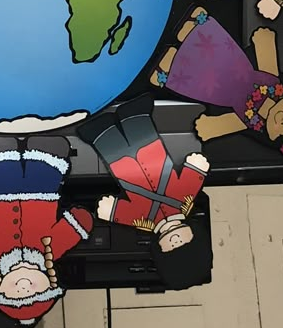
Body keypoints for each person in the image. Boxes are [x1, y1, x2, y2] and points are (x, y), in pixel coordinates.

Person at [79, 94, 212, 290]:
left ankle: (102, 133)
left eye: (173, 247)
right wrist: (196, 169)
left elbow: (128, 214)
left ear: (161, 251)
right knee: (145, 140)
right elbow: (189, 183)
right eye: (184, 242)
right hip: (157, 161)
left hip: (127, 174)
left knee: (116, 153)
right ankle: (135, 117)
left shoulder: (145, 222)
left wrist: (113, 211)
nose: (176, 240)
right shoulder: (184, 202)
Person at [0, 135, 92, 327]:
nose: (24, 286)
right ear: (50, 284)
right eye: (35, 292)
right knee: (48, 149)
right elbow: (81, 222)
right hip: (43, 189)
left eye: (14, 294)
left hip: (0, 189)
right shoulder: (52, 249)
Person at [150, 7, 283, 155]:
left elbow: (229, 123)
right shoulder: (273, 84)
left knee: (195, 78)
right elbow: (266, 52)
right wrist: (265, 42)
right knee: (214, 47)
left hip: (218, 91)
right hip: (234, 62)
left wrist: (211, 128)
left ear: (272, 136)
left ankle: (169, 67)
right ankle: (194, 28)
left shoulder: (251, 121)